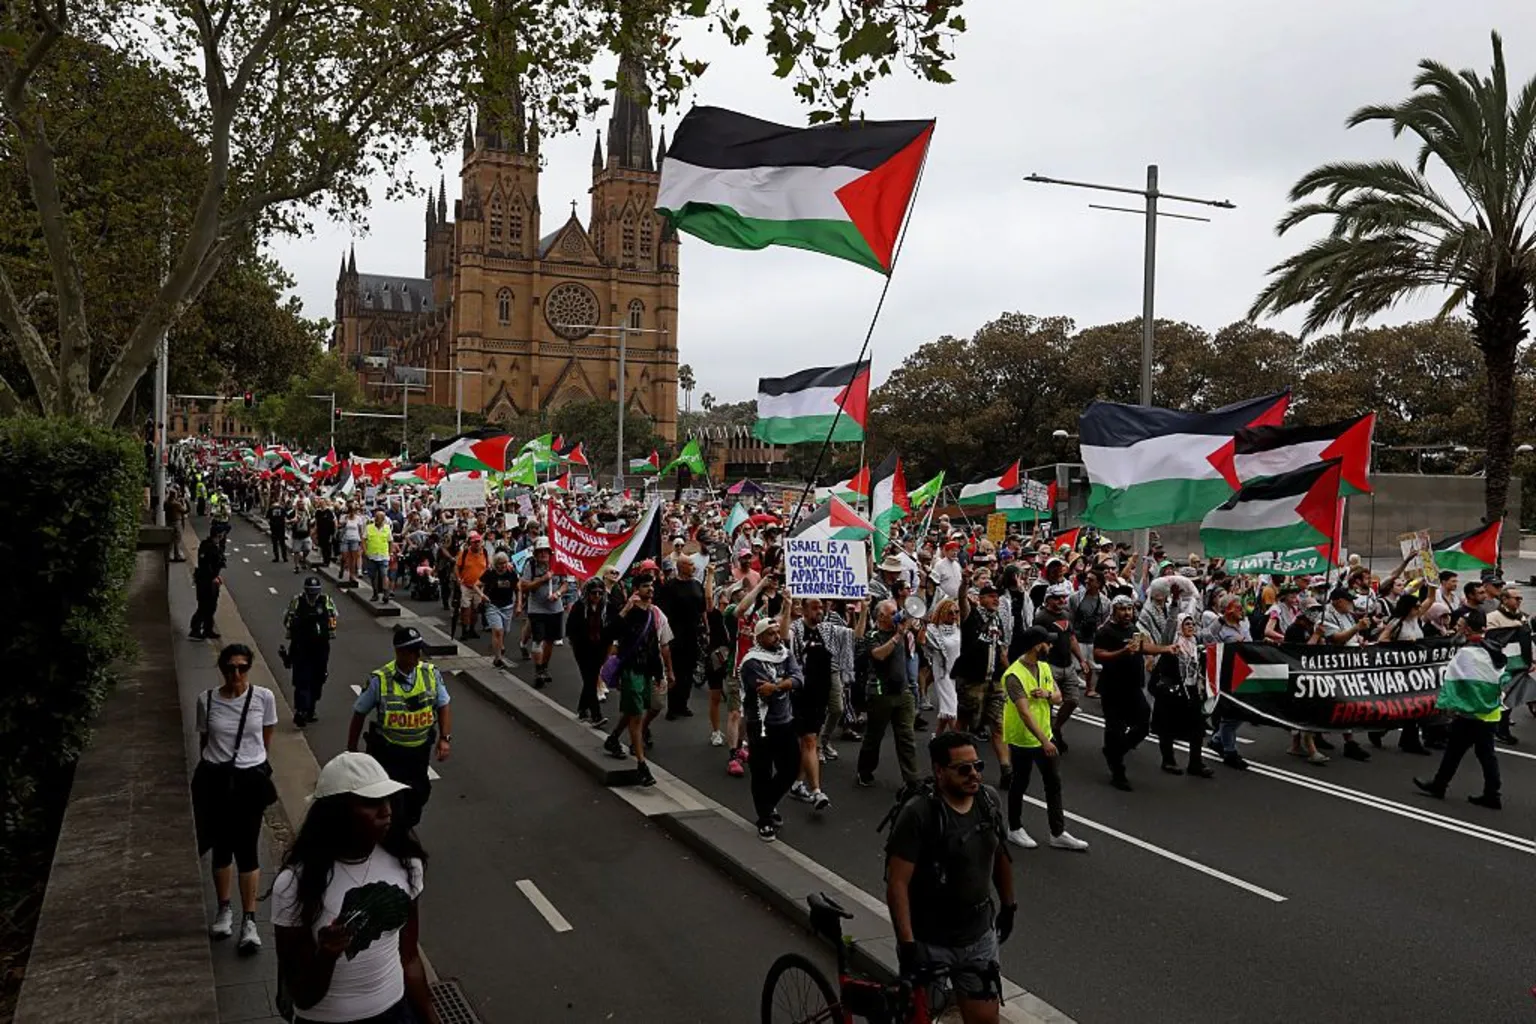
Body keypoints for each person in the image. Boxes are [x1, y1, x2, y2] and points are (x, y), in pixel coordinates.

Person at [272, 752, 440, 1024]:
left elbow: (409, 958)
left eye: (387, 799)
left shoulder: (406, 864)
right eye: (371, 802)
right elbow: (302, 995)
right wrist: (326, 955)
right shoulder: (295, 885)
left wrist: (431, 1017)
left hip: (396, 1014)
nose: (386, 811)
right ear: (336, 813)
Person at [884, 732, 1012, 1024]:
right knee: (917, 1017)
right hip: (930, 941)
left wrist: (1009, 905)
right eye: (963, 769)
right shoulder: (918, 814)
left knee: (985, 1019)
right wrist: (907, 945)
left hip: (978, 936)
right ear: (939, 771)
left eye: (977, 766)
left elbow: (1000, 854)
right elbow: (897, 883)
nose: (974, 775)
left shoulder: (988, 801)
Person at [193, 643, 277, 953]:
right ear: (222, 669)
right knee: (221, 846)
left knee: (248, 848)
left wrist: (253, 764)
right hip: (216, 780)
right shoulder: (207, 700)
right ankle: (224, 908)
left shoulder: (263, 698)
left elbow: (265, 739)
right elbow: (205, 740)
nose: (236, 674)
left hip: (249, 780)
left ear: (249, 668)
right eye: (230, 668)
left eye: (242, 667)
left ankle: (250, 920)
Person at [346, 626, 452, 833]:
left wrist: (445, 738)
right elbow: (359, 712)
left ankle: (404, 826)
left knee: (418, 794)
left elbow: (443, 705)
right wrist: (351, 748)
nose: (417, 656)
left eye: (418, 650)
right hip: (390, 752)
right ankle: (394, 835)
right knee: (392, 799)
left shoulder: (430, 674)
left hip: (419, 752)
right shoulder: (380, 679)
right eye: (413, 651)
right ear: (400, 653)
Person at [1001, 627, 1089, 851]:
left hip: (1044, 736)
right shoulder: (1014, 675)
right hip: (1023, 739)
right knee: (1020, 783)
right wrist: (1045, 742)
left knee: (1054, 783)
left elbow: (1059, 697)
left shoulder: (1044, 667)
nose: (1050, 647)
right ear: (1036, 646)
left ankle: (1057, 832)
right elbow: (1024, 713)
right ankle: (1014, 828)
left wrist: (1048, 694)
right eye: (1047, 643)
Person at [1414, 608, 1504, 809]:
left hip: (1471, 713)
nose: (1458, 628)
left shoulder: (1467, 653)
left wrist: (1448, 705)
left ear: (1468, 629)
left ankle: (1442, 786)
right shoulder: (1495, 648)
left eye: (1461, 626)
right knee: (1481, 754)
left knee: (1459, 751)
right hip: (1490, 712)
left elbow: (1455, 681)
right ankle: (1490, 793)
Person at [602, 573, 675, 787]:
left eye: (651, 586)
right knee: (635, 715)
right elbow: (610, 634)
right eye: (645, 586)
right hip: (630, 670)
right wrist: (625, 610)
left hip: (645, 671)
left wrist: (660, 674)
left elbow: (654, 647)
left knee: (637, 709)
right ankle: (642, 765)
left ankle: (614, 737)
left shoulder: (654, 614)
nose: (650, 590)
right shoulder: (629, 613)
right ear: (636, 590)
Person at [740, 614, 806, 841]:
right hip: (760, 723)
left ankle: (767, 805)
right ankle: (765, 819)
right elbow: (763, 691)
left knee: (791, 767)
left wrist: (780, 685)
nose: (777, 637)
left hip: (784, 722)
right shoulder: (751, 662)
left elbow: (798, 679)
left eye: (778, 632)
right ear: (759, 637)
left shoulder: (785, 653)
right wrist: (786, 684)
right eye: (771, 634)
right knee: (761, 772)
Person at [1093, 595, 1158, 791]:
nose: (1127, 613)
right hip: (1113, 689)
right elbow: (1099, 655)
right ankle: (1118, 772)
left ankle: (1115, 751)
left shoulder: (1133, 629)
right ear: (1114, 611)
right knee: (1115, 729)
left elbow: (1143, 647)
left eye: (1129, 609)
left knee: (1143, 722)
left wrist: (1165, 650)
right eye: (1122, 609)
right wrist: (1122, 652)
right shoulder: (1106, 631)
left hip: (1133, 687)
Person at [858, 599, 921, 788]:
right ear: (881, 616)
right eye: (892, 613)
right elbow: (878, 655)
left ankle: (912, 779)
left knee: (907, 737)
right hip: (880, 693)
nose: (897, 615)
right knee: (874, 737)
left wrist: (913, 624)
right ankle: (865, 770)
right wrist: (897, 636)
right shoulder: (873, 635)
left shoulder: (901, 631)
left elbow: (921, 638)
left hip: (903, 692)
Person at [1151, 613, 1215, 778]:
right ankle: (1168, 761)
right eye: (1186, 624)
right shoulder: (1172, 645)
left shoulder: (1196, 644)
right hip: (1172, 692)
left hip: (1191, 690)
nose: (1190, 627)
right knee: (1168, 727)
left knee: (1198, 728)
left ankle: (1195, 763)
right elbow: (1169, 627)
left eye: (1192, 624)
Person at [657, 554, 707, 720]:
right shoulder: (670, 587)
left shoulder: (697, 585)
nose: (694, 567)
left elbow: (702, 609)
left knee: (689, 670)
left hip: (693, 634)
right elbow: (664, 612)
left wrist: (706, 628)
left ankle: (683, 703)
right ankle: (672, 707)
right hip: (676, 635)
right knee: (676, 671)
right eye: (690, 565)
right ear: (681, 567)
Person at [284, 576, 339, 728]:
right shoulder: (297, 601)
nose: (313, 595)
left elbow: (333, 619)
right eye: (310, 592)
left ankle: (311, 708)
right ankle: (301, 710)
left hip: (319, 646)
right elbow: (288, 619)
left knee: (318, 678)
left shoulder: (326, 601)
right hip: (302, 645)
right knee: (302, 679)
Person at [518, 536, 570, 686]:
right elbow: (524, 586)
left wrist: (558, 594)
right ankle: (538, 670)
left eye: (545, 551)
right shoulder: (531, 565)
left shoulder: (558, 564)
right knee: (538, 640)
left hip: (555, 609)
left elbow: (565, 584)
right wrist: (542, 579)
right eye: (540, 551)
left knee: (549, 641)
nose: (543, 554)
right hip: (537, 609)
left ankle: (544, 667)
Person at [566, 578, 612, 727]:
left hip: (599, 648)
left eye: (600, 592)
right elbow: (571, 629)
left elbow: (612, 626)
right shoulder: (579, 607)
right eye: (594, 593)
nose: (597, 596)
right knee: (591, 680)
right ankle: (596, 715)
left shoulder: (606, 607)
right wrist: (576, 645)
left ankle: (582, 708)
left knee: (590, 680)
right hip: (583, 649)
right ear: (588, 593)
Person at [923, 595, 963, 733]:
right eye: (950, 612)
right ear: (942, 613)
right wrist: (922, 627)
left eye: (956, 612)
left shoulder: (959, 629)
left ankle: (938, 735)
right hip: (943, 673)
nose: (954, 615)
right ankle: (958, 740)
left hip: (957, 673)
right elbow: (921, 641)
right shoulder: (933, 631)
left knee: (947, 709)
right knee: (952, 708)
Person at [479, 550, 520, 668]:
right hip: (492, 605)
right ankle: (498, 659)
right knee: (497, 631)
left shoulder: (511, 573)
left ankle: (499, 645)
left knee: (505, 631)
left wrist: (518, 604)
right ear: (496, 564)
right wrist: (482, 595)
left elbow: (518, 589)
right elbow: (476, 585)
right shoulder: (490, 573)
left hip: (507, 606)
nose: (503, 566)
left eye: (505, 563)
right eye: (500, 564)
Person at [190, 531, 227, 640]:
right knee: (204, 606)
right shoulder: (208, 547)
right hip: (206, 581)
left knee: (211, 606)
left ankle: (208, 629)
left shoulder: (211, 546)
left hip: (210, 579)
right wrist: (213, 576)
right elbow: (207, 565)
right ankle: (195, 629)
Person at [363, 509, 395, 604]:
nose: (377, 519)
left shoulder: (387, 528)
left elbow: (390, 541)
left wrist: (390, 553)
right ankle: (375, 593)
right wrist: (365, 551)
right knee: (373, 576)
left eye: (379, 518)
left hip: (383, 555)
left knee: (384, 574)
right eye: (376, 517)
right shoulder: (369, 528)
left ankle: (386, 594)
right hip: (372, 555)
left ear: (383, 519)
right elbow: (364, 539)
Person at [268, 495, 291, 563]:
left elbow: (268, 517)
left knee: (275, 543)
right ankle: (284, 557)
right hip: (281, 527)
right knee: (282, 543)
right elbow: (285, 516)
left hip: (274, 528)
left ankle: (276, 557)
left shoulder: (271, 508)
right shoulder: (282, 508)